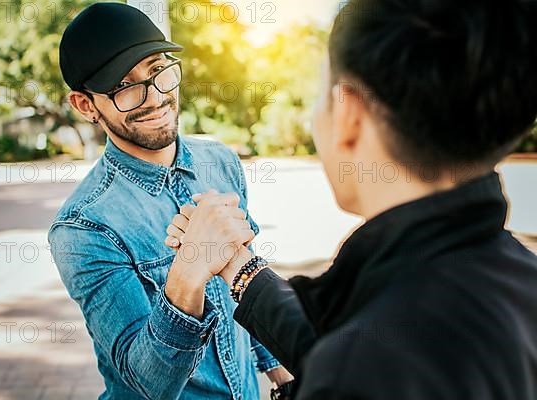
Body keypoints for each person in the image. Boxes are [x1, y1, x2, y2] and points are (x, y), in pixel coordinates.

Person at [164, 0, 537, 398]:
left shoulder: (355, 370)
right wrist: (239, 267)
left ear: (349, 116)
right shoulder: (518, 281)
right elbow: (355, 339)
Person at [48, 3, 291, 400]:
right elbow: (149, 383)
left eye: (158, 70)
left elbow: (242, 292)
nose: (155, 97)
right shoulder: (84, 226)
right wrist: (189, 269)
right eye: (125, 86)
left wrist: (282, 373)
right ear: (85, 105)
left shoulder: (221, 162)